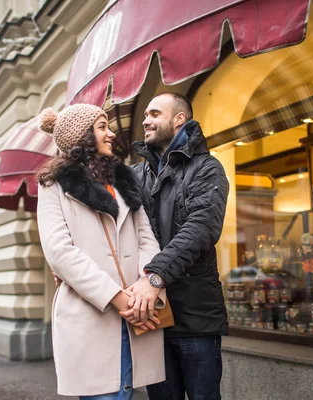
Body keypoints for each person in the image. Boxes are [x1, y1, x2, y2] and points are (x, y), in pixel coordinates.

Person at [36, 104, 166, 399]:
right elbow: (59, 251)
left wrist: (146, 284)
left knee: (126, 392)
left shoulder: (123, 181)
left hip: (137, 312)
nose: (111, 134)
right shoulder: (53, 185)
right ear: (82, 136)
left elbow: (148, 240)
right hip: (93, 314)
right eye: (102, 126)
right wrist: (117, 298)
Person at [127, 92, 230, 400]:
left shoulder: (207, 169)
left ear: (179, 119)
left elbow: (200, 229)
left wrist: (154, 275)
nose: (146, 120)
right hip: (152, 316)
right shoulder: (134, 175)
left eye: (154, 114)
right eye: (144, 114)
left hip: (195, 318)